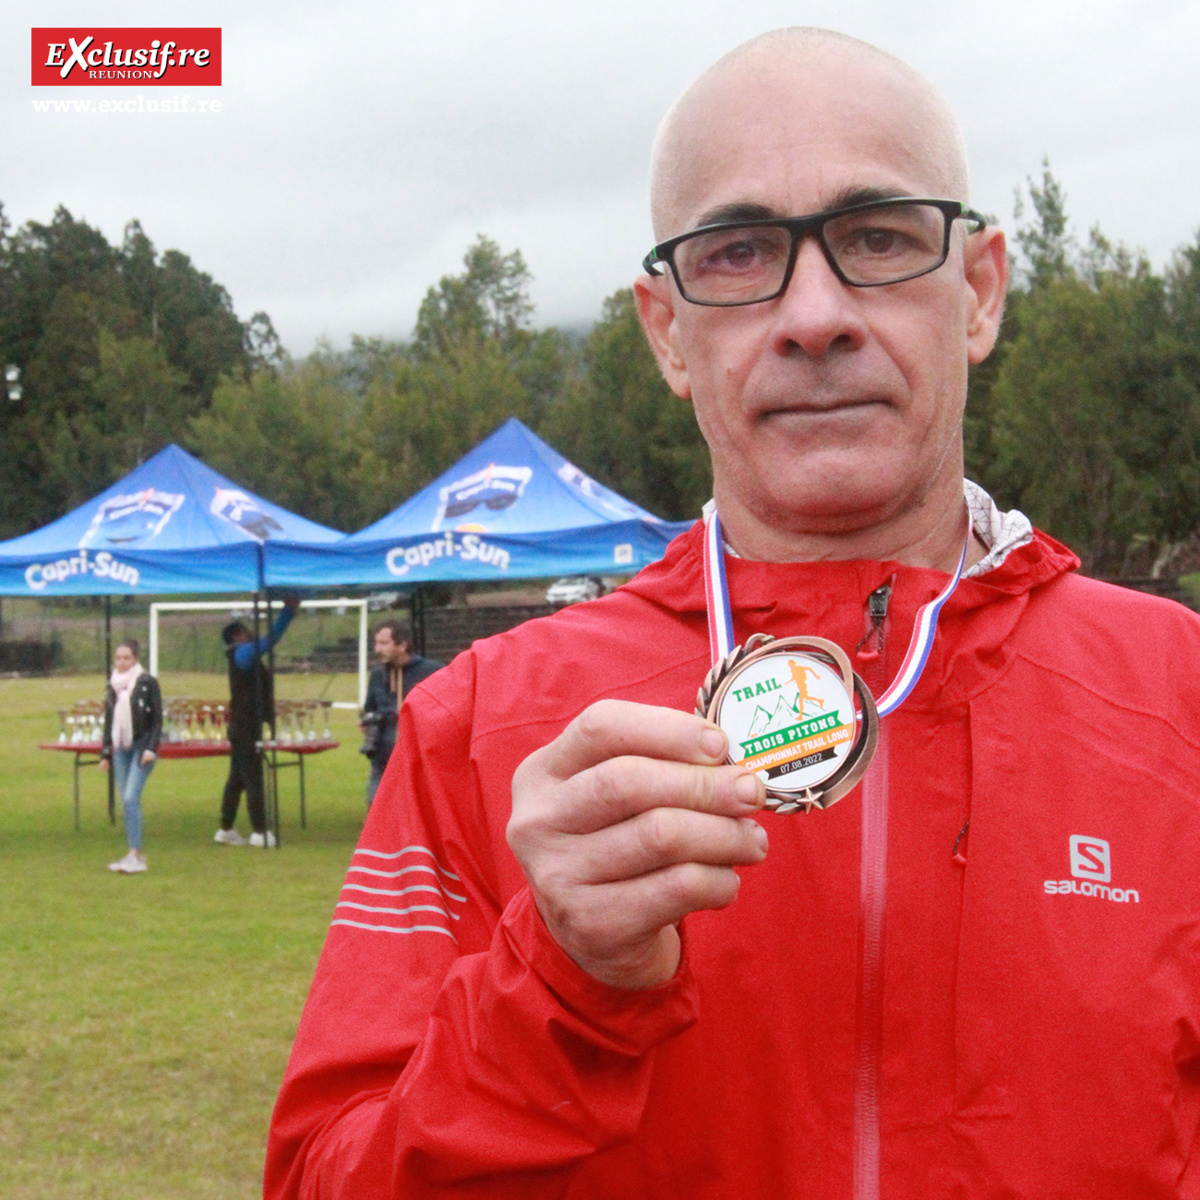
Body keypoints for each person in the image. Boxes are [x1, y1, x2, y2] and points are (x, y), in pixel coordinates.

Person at [266, 29, 1200, 1200]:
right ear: (667, 329)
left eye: (877, 236)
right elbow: (324, 1180)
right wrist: (556, 985)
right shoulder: (483, 729)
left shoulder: (1178, 700)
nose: (814, 315)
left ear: (978, 291)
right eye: (740, 251)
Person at [213, 592, 301, 848]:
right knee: (253, 778)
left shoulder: (241, 655)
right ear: (236, 637)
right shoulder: (242, 654)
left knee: (238, 778)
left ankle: (226, 827)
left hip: (242, 724)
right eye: (243, 631)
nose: (248, 632)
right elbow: (269, 640)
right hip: (245, 725)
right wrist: (288, 612)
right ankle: (260, 831)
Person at [360, 619, 443, 808]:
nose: (377, 649)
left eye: (383, 643)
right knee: (377, 810)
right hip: (382, 757)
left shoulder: (432, 671)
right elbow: (369, 709)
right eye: (376, 643)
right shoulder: (378, 675)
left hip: (419, 759)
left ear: (402, 644)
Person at [100, 638, 162, 874]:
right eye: (118, 658)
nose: (122, 662)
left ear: (135, 659)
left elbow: (157, 719)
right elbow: (110, 719)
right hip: (120, 746)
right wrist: (106, 752)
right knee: (127, 801)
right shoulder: (113, 685)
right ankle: (133, 851)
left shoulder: (147, 682)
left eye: (126, 658)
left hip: (142, 745)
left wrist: (150, 749)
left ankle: (135, 854)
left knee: (129, 797)